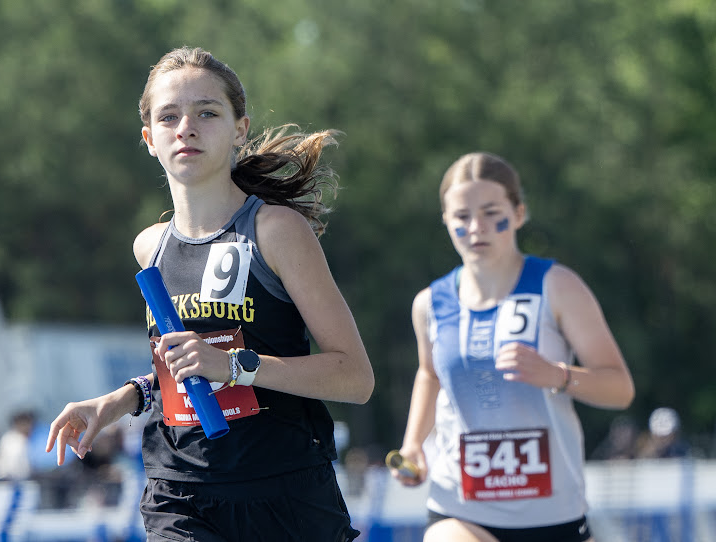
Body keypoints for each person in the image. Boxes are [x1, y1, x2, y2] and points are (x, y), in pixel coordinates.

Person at [46, 46, 374, 542]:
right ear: (149, 139)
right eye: (168, 116)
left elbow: (355, 377)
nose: (186, 128)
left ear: (239, 129)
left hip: (282, 493)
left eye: (206, 113)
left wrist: (236, 366)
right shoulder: (149, 247)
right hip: (179, 491)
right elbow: (182, 366)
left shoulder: (275, 231)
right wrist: (121, 399)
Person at [390, 152, 634, 542]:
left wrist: (556, 375)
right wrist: (413, 443)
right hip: (460, 507)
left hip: (554, 515)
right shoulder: (429, 304)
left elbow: (620, 390)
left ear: (519, 214)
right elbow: (430, 374)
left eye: (491, 213)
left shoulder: (558, 286)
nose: (476, 228)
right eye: (462, 216)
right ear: (446, 221)